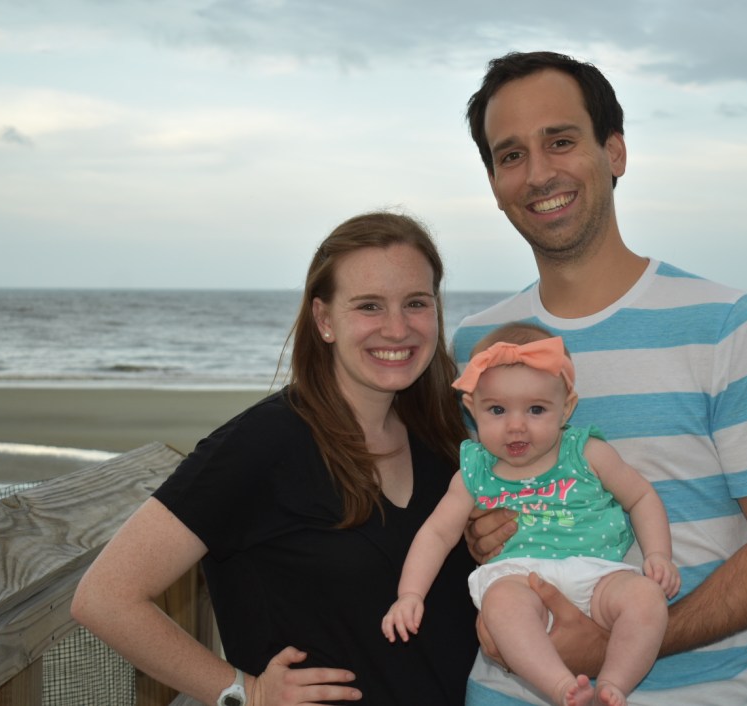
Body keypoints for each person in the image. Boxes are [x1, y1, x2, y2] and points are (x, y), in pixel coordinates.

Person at [455, 51, 747, 705]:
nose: (538, 173)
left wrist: (626, 643)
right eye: (511, 155)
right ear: (494, 182)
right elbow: (482, 500)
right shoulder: (479, 345)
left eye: (560, 141)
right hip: (506, 691)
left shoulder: (720, 322)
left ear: (615, 152)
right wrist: (477, 532)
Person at [71, 211, 478, 706]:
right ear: (324, 320)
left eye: (416, 303)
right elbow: (105, 596)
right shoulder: (264, 442)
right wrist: (246, 692)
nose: (397, 328)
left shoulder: (443, 436)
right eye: (369, 306)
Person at [383, 322, 680, 706]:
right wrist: (410, 594)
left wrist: (658, 554)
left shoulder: (586, 453)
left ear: (566, 408)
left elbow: (640, 497)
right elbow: (437, 533)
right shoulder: (475, 472)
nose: (516, 426)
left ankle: (614, 685)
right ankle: (561, 687)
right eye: (497, 410)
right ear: (472, 408)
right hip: (518, 577)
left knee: (646, 598)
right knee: (503, 606)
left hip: (598, 574)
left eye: (536, 409)